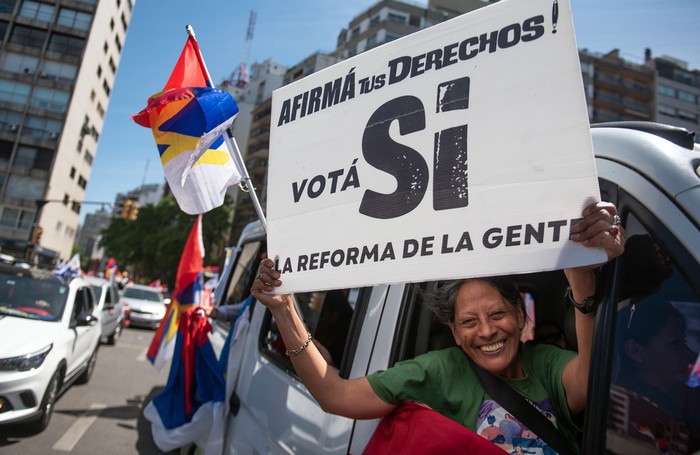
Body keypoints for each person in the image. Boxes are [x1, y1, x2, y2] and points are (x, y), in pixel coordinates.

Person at [251, 202, 625, 454]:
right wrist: (285, 310)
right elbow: (337, 396)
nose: (487, 332)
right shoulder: (440, 370)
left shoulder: (544, 362)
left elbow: (589, 382)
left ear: (520, 314)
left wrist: (581, 281)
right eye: (469, 322)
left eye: (497, 315)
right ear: (454, 332)